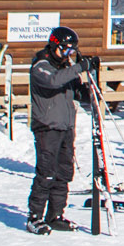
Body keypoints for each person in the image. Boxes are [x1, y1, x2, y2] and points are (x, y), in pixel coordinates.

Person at [26, 26, 95, 234]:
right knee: (46, 173)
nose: (67, 54)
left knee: (64, 173)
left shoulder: (67, 67)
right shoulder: (41, 65)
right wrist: (78, 67)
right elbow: (53, 80)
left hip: (66, 126)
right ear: (54, 45)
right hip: (47, 127)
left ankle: (55, 214)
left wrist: (90, 79)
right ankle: (35, 216)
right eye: (65, 49)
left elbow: (77, 92)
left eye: (71, 51)